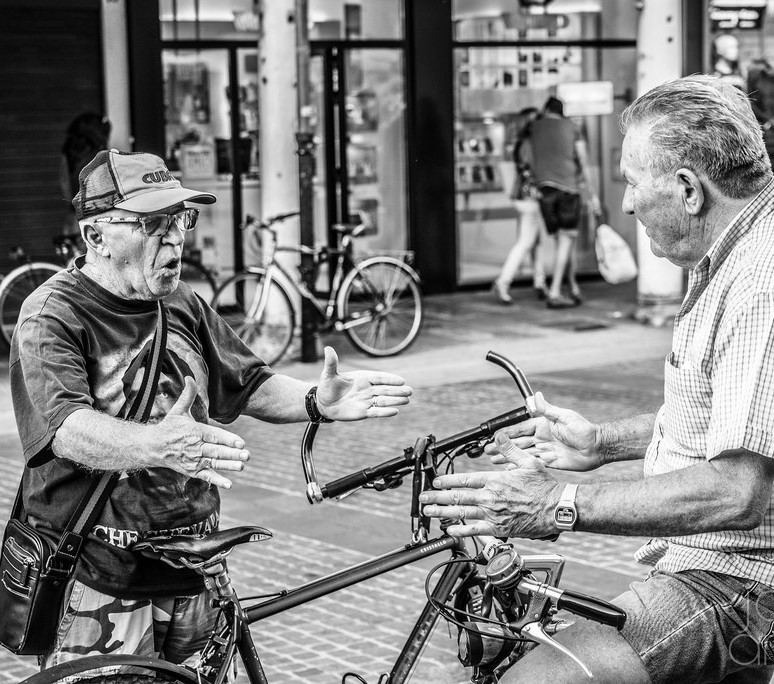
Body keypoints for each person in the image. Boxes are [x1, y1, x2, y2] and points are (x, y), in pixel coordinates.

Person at [420, 75, 774, 683]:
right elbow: (737, 417)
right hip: (712, 562)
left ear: (689, 189)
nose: (629, 204)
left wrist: (557, 504)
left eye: (634, 183)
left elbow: (739, 490)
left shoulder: (758, 281)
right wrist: (602, 443)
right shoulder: (729, 247)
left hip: (738, 583)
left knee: (539, 677)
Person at [10, 148, 413, 672]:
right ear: (96, 236)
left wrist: (316, 401)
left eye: (179, 219)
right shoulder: (52, 313)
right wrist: (159, 445)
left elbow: (248, 383)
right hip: (101, 575)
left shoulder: (183, 303)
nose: (175, 236)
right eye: (152, 222)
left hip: (193, 568)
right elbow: (64, 429)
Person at [524, 96, 601, 309]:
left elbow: (528, 158)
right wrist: (593, 195)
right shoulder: (572, 127)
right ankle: (556, 291)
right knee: (567, 241)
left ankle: (573, 285)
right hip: (568, 189)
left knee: (563, 242)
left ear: (546, 109)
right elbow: (584, 163)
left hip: (544, 191)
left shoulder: (534, 127)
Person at [492, 107, 550, 305]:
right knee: (526, 241)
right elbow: (530, 170)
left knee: (536, 241)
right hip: (531, 198)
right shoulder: (530, 143)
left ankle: (539, 282)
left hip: (527, 197)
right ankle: (504, 281)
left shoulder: (523, 142)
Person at [59, 111, 112, 239]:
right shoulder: (97, 155)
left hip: (74, 218)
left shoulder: (68, 151)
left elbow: (64, 183)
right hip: (94, 222)